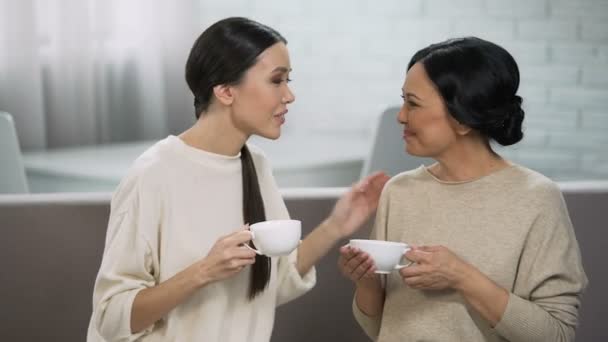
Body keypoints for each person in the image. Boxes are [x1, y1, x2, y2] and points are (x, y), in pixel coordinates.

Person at [87, 17, 389, 342]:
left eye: (288, 80)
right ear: (226, 90)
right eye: (277, 80)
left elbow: (277, 281)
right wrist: (203, 271)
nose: (289, 95)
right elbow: (112, 316)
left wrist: (336, 226)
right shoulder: (153, 174)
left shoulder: (255, 165)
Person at [338, 37, 588, 342]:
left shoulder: (536, 197)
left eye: (413, 103)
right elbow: (381, 328)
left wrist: (461, 276)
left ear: (463, 117)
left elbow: (556, 334)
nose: (400, 116)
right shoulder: (399, 191)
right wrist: (366, 283)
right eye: (403, 101)